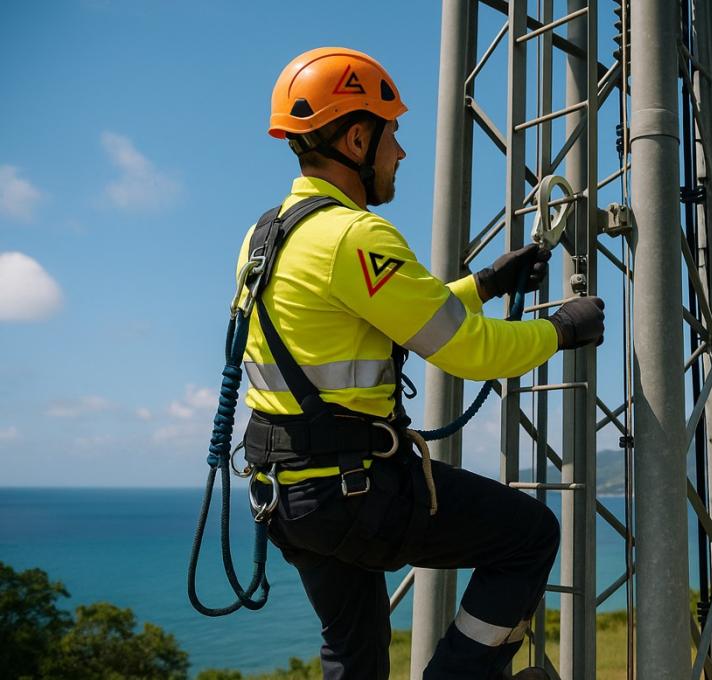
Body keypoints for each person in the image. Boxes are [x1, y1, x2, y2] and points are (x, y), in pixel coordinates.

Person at [236, 47, 605, 680]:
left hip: (285, 493)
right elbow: (468, 351)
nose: (400, 153)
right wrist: (560, 329)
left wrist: (484, 284)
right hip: (349, 490)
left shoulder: (269, 234)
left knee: (354, 653)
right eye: (392, 134)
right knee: (529, 536)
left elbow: (379, 324)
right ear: (357, 137)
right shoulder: (355, 235)